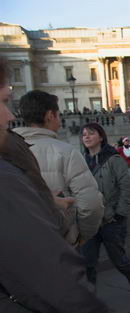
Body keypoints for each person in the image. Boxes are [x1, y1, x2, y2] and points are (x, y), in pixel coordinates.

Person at [0, 58, 127, 313]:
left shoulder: (12, 152)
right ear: (53, 115)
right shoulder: (53, 155)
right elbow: (90, 207)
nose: (9, 115)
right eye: (2, 100)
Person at [13, 89, 104, 246]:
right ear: (50, 116)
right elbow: (91, 204)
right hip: (59, 240)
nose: (60, 119)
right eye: (58, 114)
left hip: (17, 242)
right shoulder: (66, 152)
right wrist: (80, 236)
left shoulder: (8, 149)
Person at [80, 123, 130, 298]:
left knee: (119, 259)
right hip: (89, 220)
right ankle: (89, 297)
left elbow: (126, 188)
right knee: (87, 261)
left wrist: (119, 214)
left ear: (101, 137)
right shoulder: (80, 160)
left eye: (91, 134)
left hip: (112, 220)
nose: (86, 137)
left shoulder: (114, 159)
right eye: (84, 134)